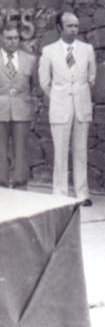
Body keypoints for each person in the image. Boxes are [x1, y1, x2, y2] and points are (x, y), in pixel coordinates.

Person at [38, 12, 96, 206]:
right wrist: (59, 97)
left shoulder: (87, 50)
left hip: (81, 106)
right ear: (59, 28)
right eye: (70, 26)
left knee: (81, 150)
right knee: (60, 151)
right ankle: (60, 193)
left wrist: (78, 93)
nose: (74, 30)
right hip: (60, 107)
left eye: (76, 26)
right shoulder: (49, 51)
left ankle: (82, 193)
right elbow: (45, 82)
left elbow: (91, 78)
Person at [0, 24, 37, 190]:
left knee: (21, 149)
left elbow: (34, 84)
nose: (12, 42)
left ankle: (20, 185)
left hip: (22, 111)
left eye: (15, 38)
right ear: (2, 38)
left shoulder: (30, 59)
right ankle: (1, 185)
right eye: (8, 38)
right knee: (0, 150)